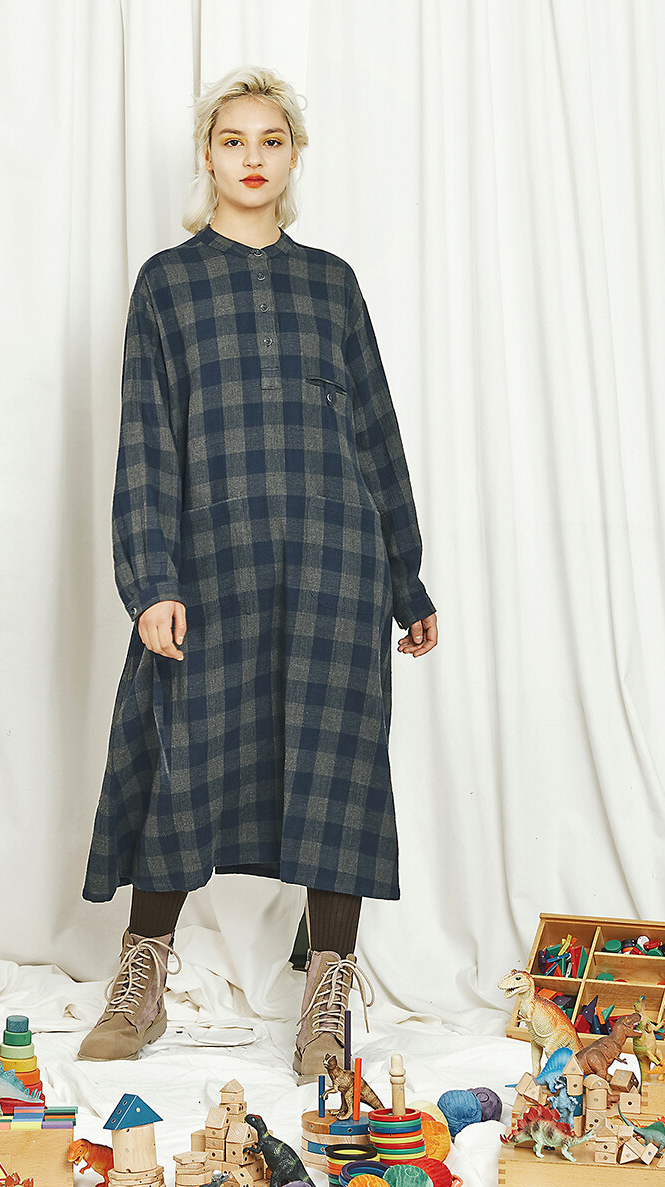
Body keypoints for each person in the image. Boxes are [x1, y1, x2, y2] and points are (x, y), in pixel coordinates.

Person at [79, 66, 438, 1080]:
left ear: (293, 156)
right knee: (178, 763)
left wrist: (406, 580)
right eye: (232, 140)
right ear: (207, 155)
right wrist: (151, 580)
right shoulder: (168, 283)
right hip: (212, 572)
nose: (251, 158)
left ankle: (328, 996)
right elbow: (147, 443)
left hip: (334, 571)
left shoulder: (332, 284)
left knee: (337, 771)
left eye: (270, 140)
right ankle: (142, 976)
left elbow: (376, 437)